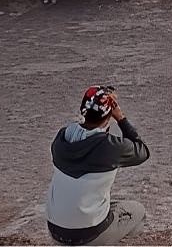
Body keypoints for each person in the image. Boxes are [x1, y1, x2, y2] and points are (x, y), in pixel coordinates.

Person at [46, 86, 149, 246]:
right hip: (87, 233)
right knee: (138, 211)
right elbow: (142, 151)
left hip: (55, 229)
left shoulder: (61, 138)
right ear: (110, 114)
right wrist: (121, 118)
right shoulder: (110, 147)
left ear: (83, 110)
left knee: (106, 203)